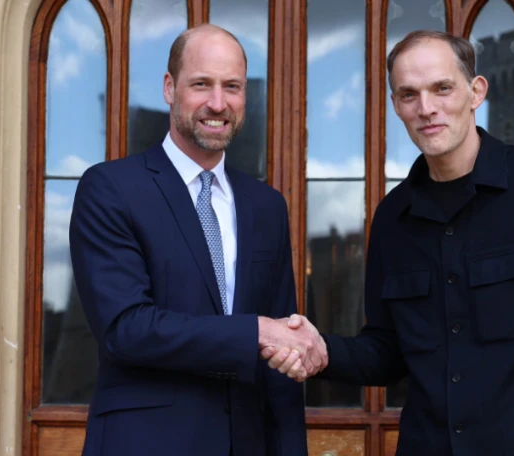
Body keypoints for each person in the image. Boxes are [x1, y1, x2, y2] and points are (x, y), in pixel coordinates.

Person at [263, 30, 514, 455]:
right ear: (396, 105)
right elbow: (388, 351)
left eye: (442, 88)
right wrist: (321, 351)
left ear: (476, 92)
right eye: (409, 94)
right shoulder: (393, 218)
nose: (427, 109)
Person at [69, 24, 326, 456]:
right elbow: (126, 329)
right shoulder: (110, 188)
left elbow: (280, 362)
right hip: (145, 444)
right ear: (170, 88)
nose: (218, 103)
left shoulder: (267, 206)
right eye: (201, 84)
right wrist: (257, 331)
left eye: (232, 87)